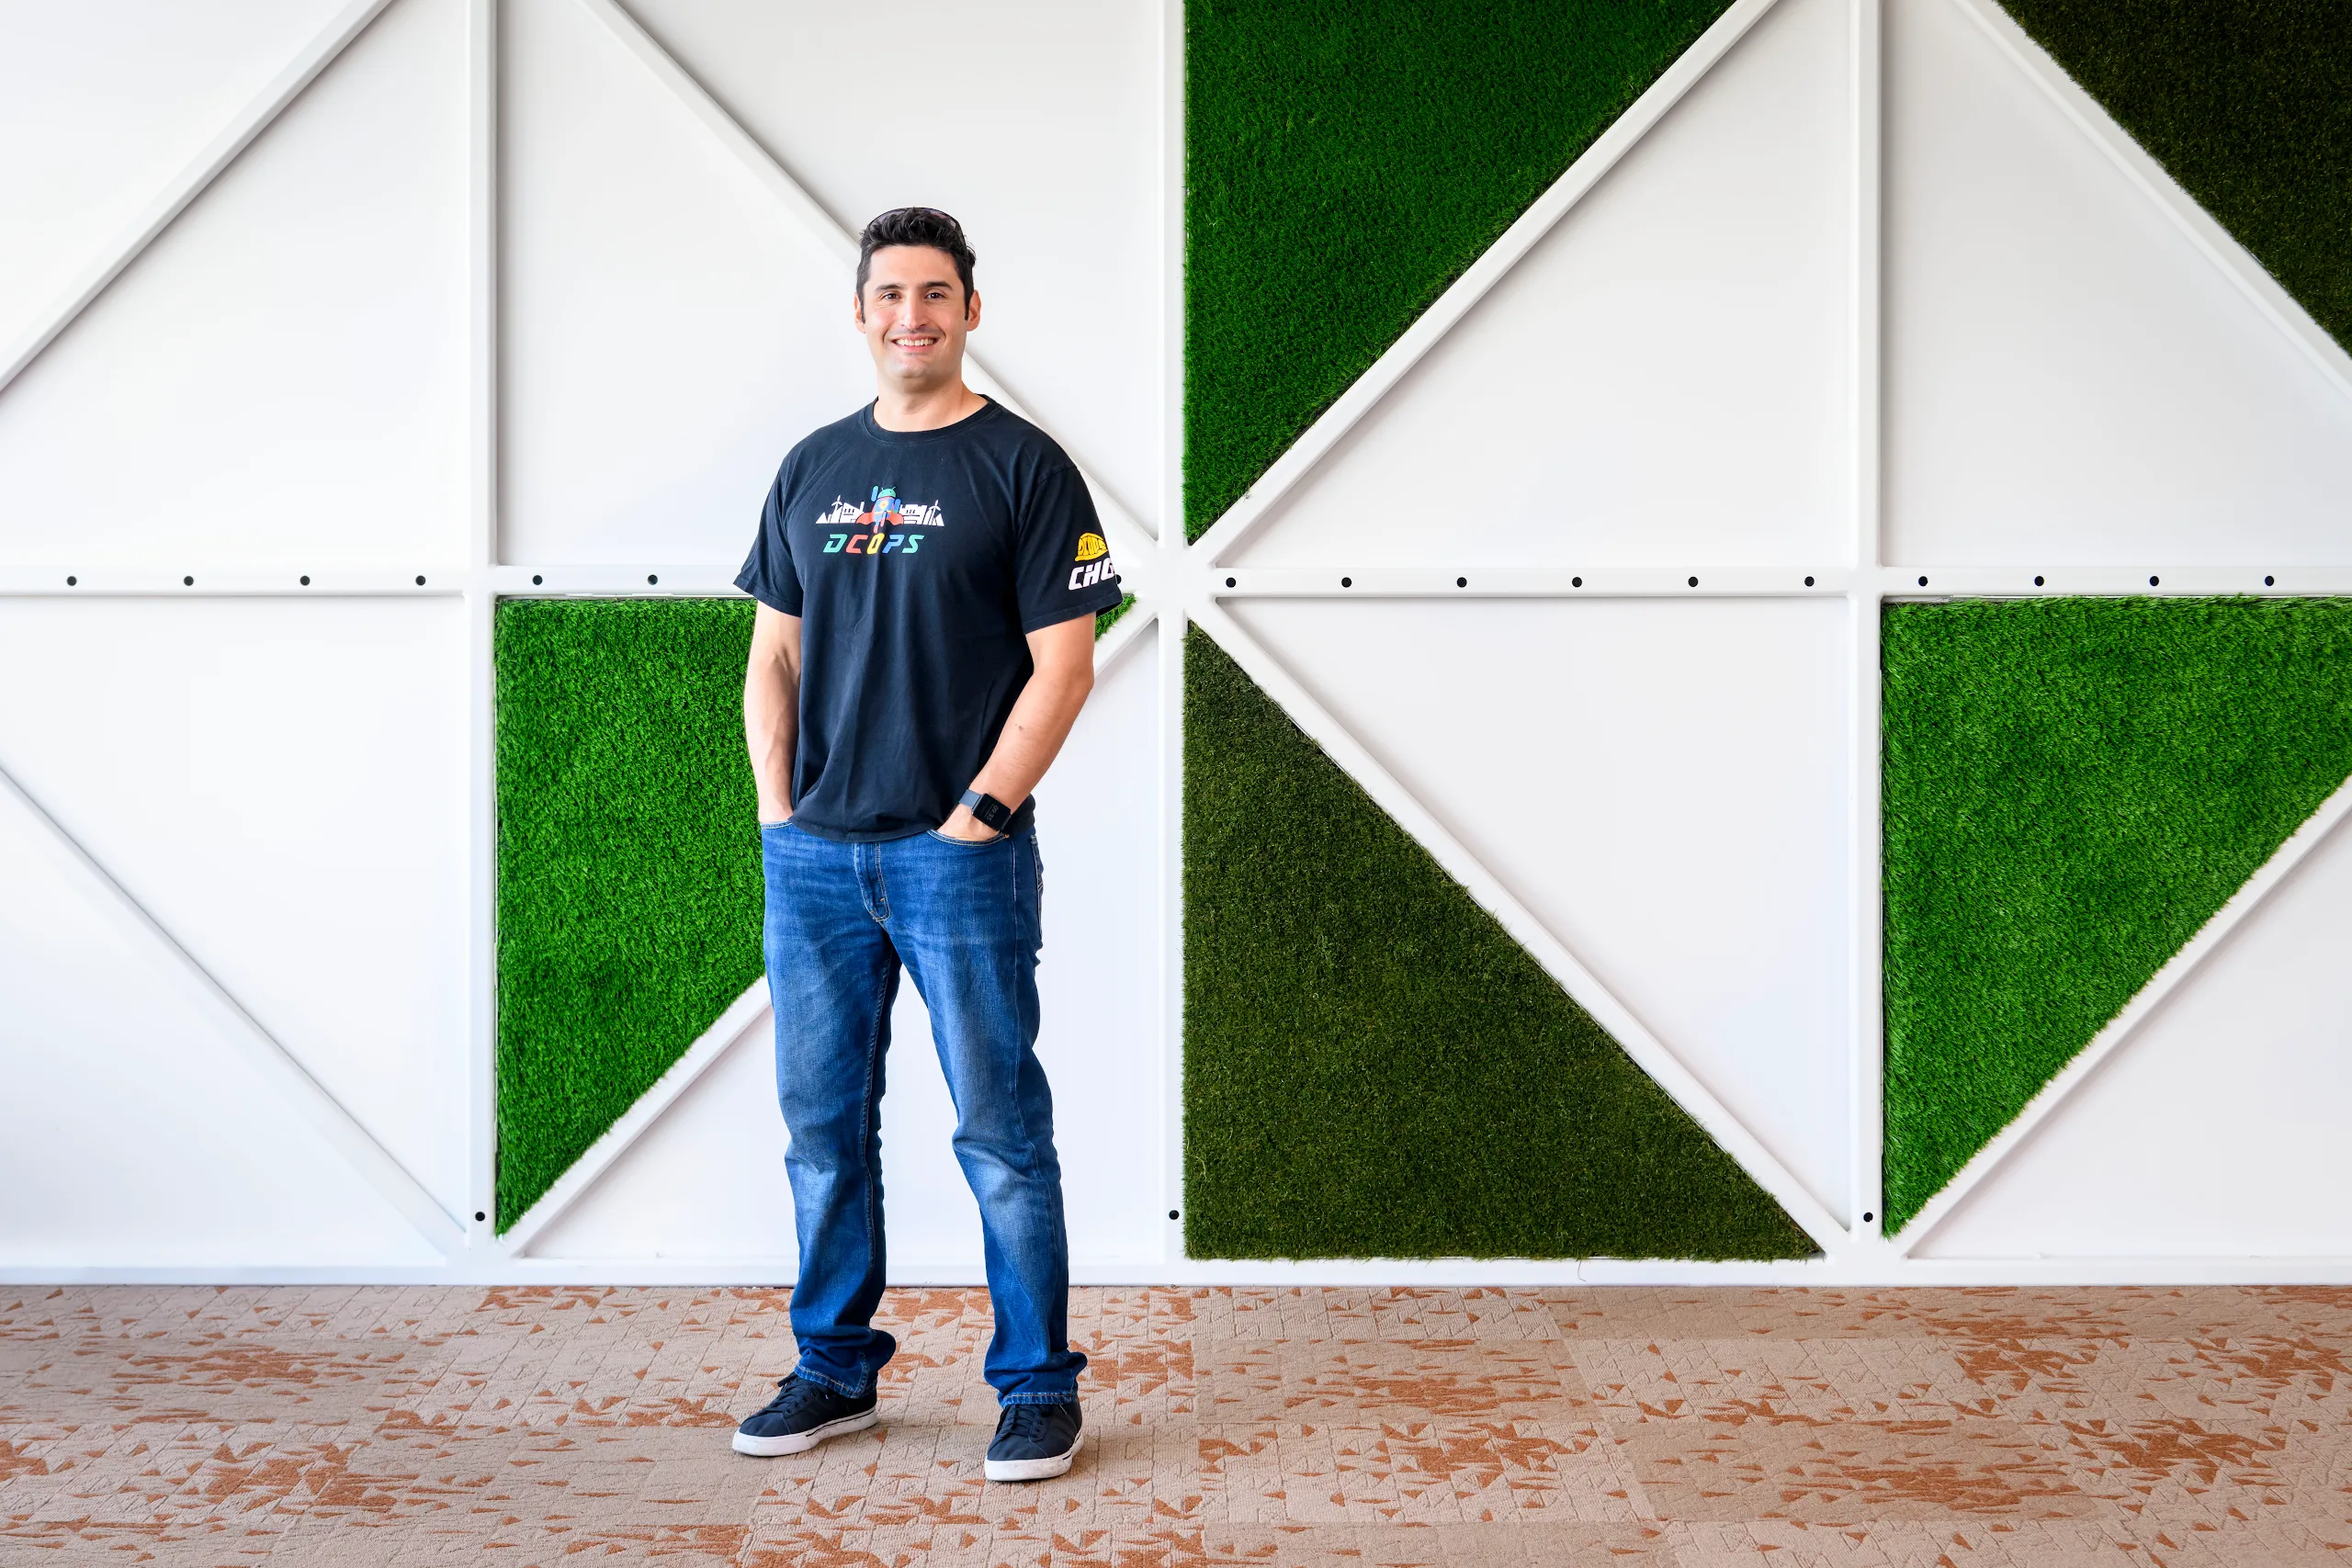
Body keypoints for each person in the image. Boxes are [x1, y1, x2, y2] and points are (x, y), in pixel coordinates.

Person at [728, 207, 1122, 1483]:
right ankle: (834, 1367)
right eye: (890, 294)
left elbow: (1068, 663)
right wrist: (776, 813)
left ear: (971, 311)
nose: (913, 315)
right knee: (821, 1125)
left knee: (1001, 1126)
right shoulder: (809, 467)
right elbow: (772, 654)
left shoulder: (1025, 466)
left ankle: (1036, 1387)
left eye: (936, 294)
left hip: (960, 858)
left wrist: (984, 813)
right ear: (861, 314)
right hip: (817, 861)